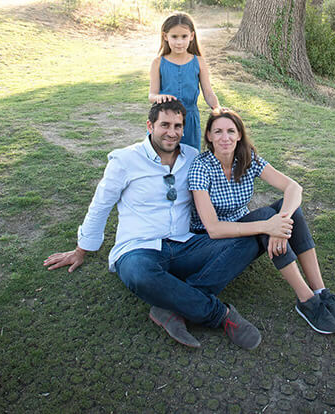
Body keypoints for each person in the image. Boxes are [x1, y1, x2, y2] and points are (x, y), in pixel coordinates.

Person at [43, 100, 275, 349]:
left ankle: (170, 307)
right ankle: (221, 316)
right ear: (150, 125)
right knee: (140, 275)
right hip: (138, 248)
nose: (171, 132)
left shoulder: (192, 158)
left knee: (250, 241)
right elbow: (100, 205)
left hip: (185, 243)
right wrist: (82, 249)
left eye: (178, 126)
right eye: (164, 125)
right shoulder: (125, 160)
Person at [189, 108, 335, 335]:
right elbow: (213, 229)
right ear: (208, 136)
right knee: (268, 216)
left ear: (239, 135)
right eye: (218, 132)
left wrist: (280, 225)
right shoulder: (201, 167)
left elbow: (293, 187)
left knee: (291, 211)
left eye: (230, 131)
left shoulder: (246, 159)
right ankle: (306, 301)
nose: (224, 138)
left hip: (243, 226)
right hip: (210, 240)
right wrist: (268, 226)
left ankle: (320, 291)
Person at [149, 12, 219, 150]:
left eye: (184, 36)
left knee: (189, 158)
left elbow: (208, 93)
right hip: (164, 119)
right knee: (161, 157)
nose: (179, 42)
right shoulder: (158, 62)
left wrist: (217, 108)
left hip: (190, 121)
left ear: (191, 36)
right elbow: (152, 95)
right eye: (174, 37)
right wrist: (159, 97)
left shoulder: (198, 62)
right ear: (165, 36)